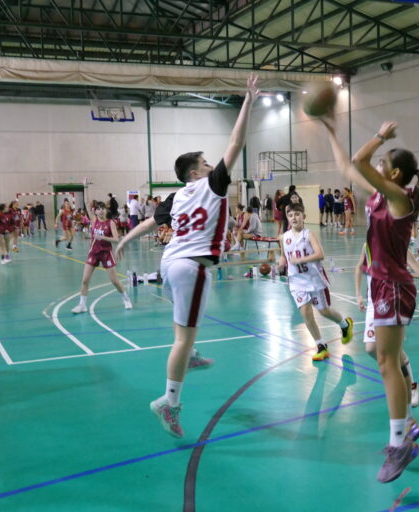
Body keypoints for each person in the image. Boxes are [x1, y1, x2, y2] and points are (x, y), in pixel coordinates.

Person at [115, 73, 259, 438]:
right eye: (207, 162)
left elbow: (150, 223)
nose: (214, 165)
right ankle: (169, 401)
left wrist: (123, 242)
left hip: (172, 264)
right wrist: (248, 101)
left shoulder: (175, 196)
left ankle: (190, 354)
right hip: (191, 266)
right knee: (182, 337)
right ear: (196, 172)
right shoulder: (211, 184)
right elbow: (236, 140)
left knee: (185, 330)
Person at [321, 116, 419, 483]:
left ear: (397, 174)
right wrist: (332, 133)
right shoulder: (380, 194)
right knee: (377, 354)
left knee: (386, 361)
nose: (377, 168)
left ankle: (400, 443)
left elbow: (358, 162)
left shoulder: (401, 199)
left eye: (383, 164)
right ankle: (405, 418)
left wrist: (379, 136)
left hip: (394, 288)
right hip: (378, 285)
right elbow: (346, 165)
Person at [354, 246, 419, 410]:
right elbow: (359, 267)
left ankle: (411, 385)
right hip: (374, 303)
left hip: (393, 302)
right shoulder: (368, 246)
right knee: (370, 348)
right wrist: (358, 294)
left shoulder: (399, 247)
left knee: (392, 351)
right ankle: (399, 375)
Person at [278, 203, 354, 361]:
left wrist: (301, 259)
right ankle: (321, 345)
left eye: (297, 214)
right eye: (291, 215)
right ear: (287, 217)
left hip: (314, 279)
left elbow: (320, 255)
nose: (294, 218)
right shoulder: (284, 237)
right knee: (305, 313)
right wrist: (282, 261)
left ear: (304, 216)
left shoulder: (308, 234)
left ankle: (345, 325)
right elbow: (284, 254)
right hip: (296, 281)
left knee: (324, 311)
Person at [70, 200, 132, 314]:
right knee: (85, 280)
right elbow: (88, 209)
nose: (101, 211)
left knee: (114, 280)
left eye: (102, 208)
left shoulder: (110, 223)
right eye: (98, 209)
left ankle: (126, 298)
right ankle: (82, 305)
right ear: (96, 211)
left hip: (106, 253)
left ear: (106, 210)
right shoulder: (93, 220)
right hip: (93, 253)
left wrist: (103, 238)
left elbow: (116, 239)